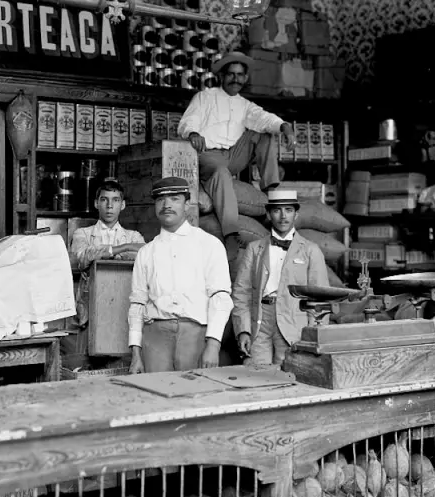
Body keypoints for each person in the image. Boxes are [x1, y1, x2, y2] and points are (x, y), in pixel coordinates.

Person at [178, 51, 296, 261]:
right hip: (208, 155)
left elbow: (263, 118)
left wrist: (284, 126)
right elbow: (189, 120)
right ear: (221, 76)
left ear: (246, 78)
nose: (236, 79)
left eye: (240, 75)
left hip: (233, 156)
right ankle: (231, 233)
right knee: (221, 173)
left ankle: (271, 190)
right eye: (231, 74)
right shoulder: (205, 97)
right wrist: (193, 133)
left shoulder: (245, 105)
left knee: (264, 132)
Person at [128, 177, 232, 374]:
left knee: (196, 398)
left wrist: (213, 345)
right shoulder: (146, 252)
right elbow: (137, 305)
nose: (167, 205)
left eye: (175, 199)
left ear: (187, 205)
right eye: (160, 200)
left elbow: (220, 297)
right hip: (155, 339)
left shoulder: (209, 245)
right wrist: (136, 354)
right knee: (155, 398)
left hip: (196, 336)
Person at [231, 189, 328, 370]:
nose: (283, 216)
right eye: (277, 210)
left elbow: (320, 297)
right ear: (268, 214)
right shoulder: (254, 248)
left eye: (288, 210)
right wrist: (243, 330)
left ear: (296, 214)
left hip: (294, 322)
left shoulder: (310, 250)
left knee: (292, 375)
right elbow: (241, 292)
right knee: (257, 376)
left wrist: (314, 335)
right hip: (260, 321)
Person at [69, 180, 146, 328]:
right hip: (89, 310)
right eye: (104, 200)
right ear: (96, 203)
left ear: (122, 205)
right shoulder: (82, 234)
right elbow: (83, 256)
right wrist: (124, 248)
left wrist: (103, 253)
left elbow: (143, 258)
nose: (109, 206)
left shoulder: (134, 236)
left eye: (115, 200)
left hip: (123, 304)